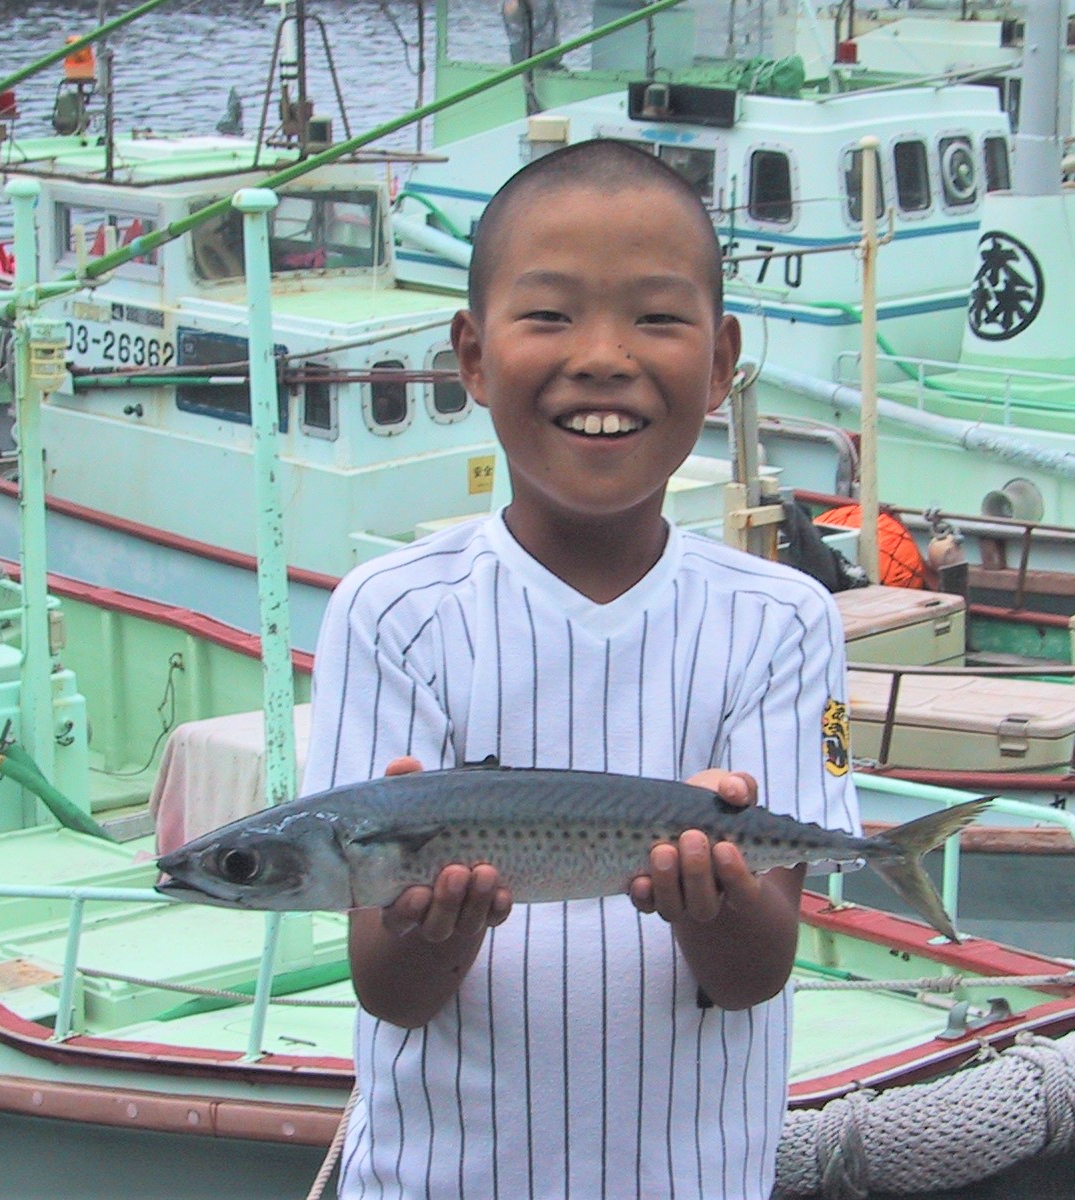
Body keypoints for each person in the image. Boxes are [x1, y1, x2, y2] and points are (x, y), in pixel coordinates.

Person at [302, 137, 859, 1198]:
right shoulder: (392, 614)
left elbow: (755, 971)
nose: (603, 355)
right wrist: (435, 923)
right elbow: (392, 990)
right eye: (549, 315)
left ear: (720, 361)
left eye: (655, 317)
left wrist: (715, 897)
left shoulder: (785, 620)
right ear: (470, 356)